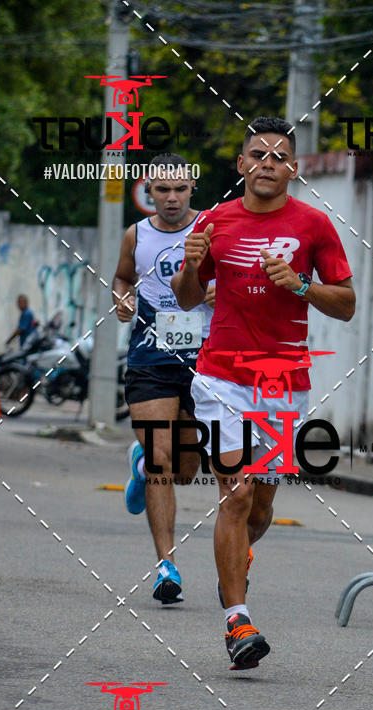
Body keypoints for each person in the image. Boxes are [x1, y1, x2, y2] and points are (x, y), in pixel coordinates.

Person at [172, 116, 355, 670]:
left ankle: (238, 558)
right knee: (237, 495)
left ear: (293, 169)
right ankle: (238, 622)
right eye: (258, 154)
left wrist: (300, 285)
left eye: (278, 156)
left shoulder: (314, 225)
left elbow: (346, 305)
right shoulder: (214, 221)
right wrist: (191, 263)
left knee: (262, 504)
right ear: (241, 164)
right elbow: (187, 298)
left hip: (282, 383)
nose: (267, 163)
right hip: (221, 377)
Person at [113, 153, 213, 605]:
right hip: (150, 358)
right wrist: (122, 299)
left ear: (192, 189)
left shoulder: (211, 229)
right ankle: (166, 565)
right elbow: (121, 278)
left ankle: (138, 463)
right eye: (163, 189)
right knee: (161, 460)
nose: (172, 198)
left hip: (203, 361)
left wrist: (218, 291)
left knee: (186, 472)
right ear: (148, 191)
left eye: (180, 189)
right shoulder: (136, 235)